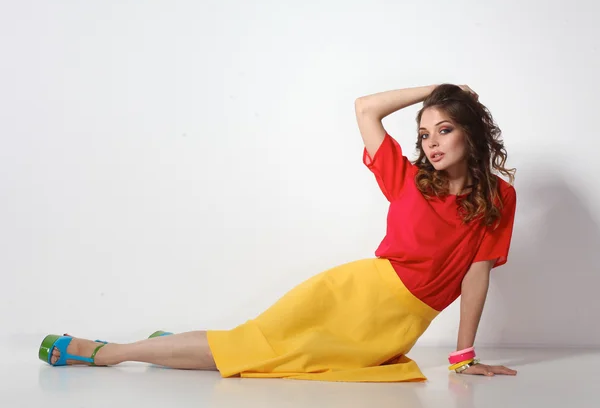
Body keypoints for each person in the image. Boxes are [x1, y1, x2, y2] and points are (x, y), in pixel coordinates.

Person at [38, 83, 518, 381]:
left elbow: (477, 276)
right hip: (355, 293)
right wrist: (439, 90)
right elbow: (365, 108)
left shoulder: (499, 198)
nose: (431, 143)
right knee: (252, 347)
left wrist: (462, 356)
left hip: (397, 323)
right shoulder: (408, 179)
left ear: (471, 133)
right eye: (425, 133)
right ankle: (106, 353)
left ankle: (169, 346)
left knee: (258, 353)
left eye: (445, 129)